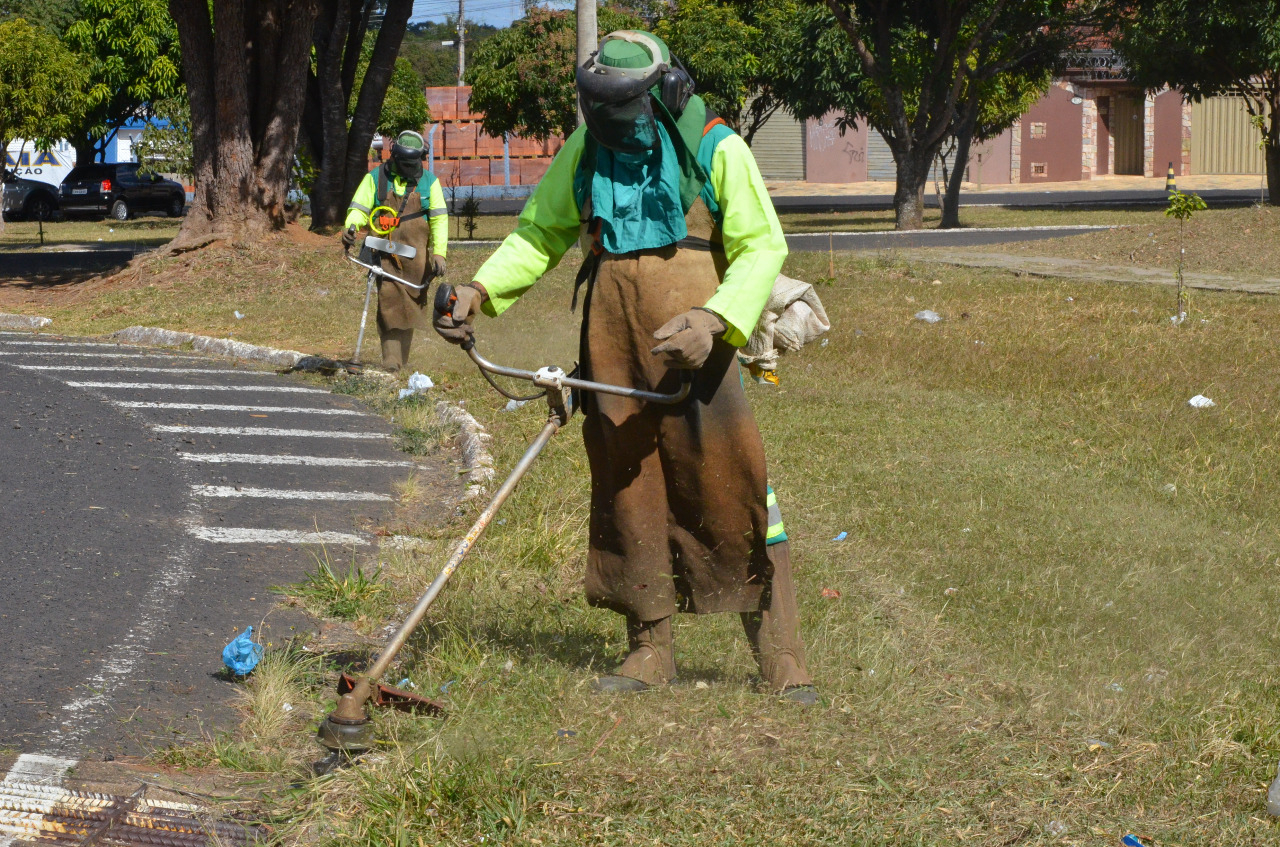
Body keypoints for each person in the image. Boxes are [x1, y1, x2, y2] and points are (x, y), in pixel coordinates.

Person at [434, 31, 816, 704]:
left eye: (625, 106)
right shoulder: (588, 150)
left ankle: (781, 653)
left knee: (731, 478)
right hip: (612, 336)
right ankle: (650, 647)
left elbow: (761, 246)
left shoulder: (716, 146)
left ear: (665, 94)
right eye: (599, 106)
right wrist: (481, 290)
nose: (610, 121)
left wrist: (715, 320)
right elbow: (540, 231)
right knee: (628, 485)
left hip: (699, 343)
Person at [342, 129, 449, 372]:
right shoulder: (376, 178)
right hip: (383, 249)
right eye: (405, 162)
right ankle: (391, 359)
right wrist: (351, 225)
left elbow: (440, 219)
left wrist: (439, 253)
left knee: (410, 303)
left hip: (416, 255)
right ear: (395, 157)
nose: (410, 167)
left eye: (414, 162)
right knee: (388, 300)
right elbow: (359, 207)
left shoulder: (430, 182)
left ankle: (401, 358)